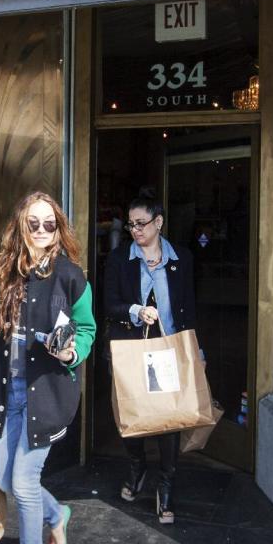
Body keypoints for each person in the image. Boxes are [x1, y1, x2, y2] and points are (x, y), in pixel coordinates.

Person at [0, 192, 96, 544]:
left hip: (47, 396)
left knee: (23, 484)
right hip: (7, 393)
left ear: (58, 228)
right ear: (20, 226)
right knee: (6, 480)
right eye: (33, 224)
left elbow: (88, 328)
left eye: (49, 224)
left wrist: (72, 352)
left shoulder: (69, 275)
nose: (41, 231)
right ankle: (56, 516)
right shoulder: (0, 272)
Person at [103, 187, 197, 524]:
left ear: (159, 222)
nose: (135, 230)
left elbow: (189, 307)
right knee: (133, 414)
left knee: (169, 419)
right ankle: (137, 465)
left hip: (168, 351)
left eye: (141, 223)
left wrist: (195, 352)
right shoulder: (118, 259)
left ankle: (166, 484)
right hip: (130, 349)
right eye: (130, 225)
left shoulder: (181, 258)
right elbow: (108, 305)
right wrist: (134, 310)